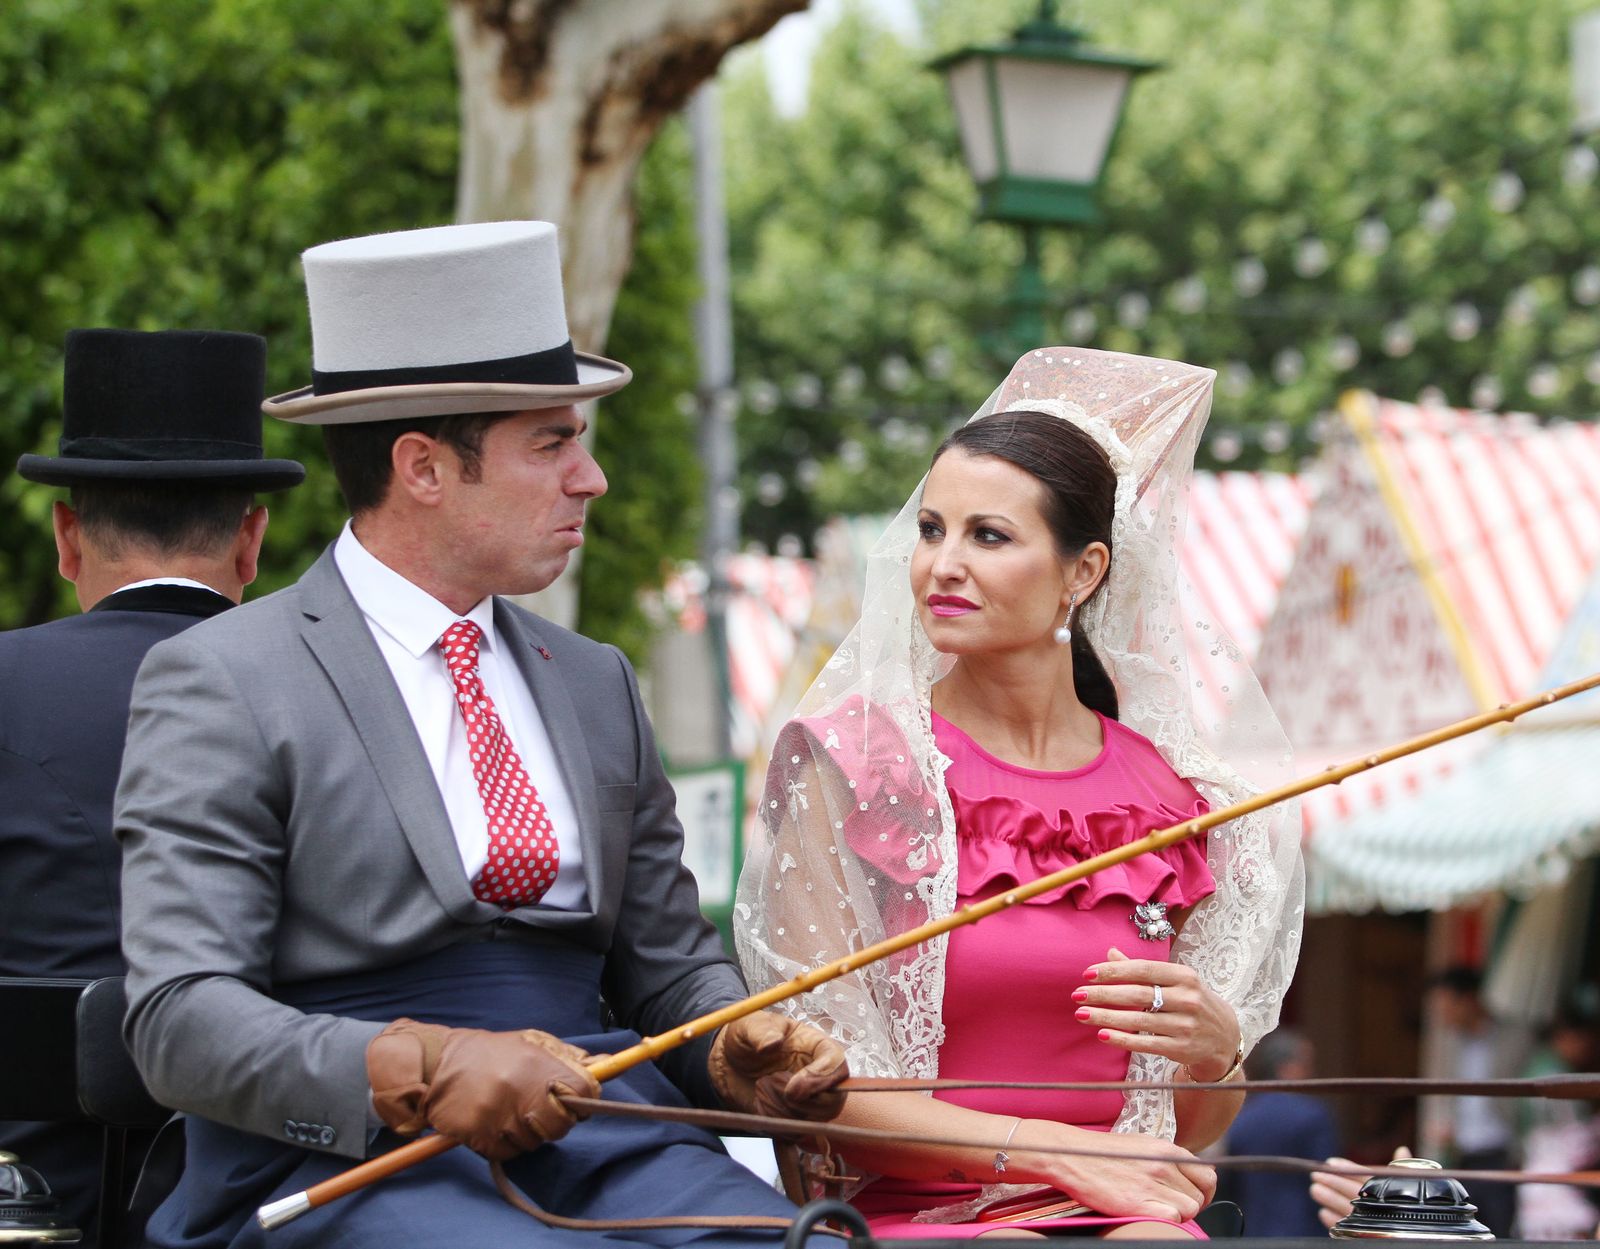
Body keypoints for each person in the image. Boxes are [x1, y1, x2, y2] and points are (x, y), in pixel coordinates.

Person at [113, 221, 847, 1249]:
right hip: (343, 1163)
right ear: (422, 466)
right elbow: (179, 1020)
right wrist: (423, 1066)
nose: (588, 478)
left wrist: (736, 1043)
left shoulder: (594, 680)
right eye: (552, 442)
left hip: (605, 1137)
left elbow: (668, 968)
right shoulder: (225, 676)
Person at [737, 348, 1304, 1240]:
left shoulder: (1185, 799)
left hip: (1126, 1213)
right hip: (925, 1213)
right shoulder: (851, 761)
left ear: (1083, 572)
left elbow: (1187, 1134)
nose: (941, 566)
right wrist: (1049, 1149)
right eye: (931, 529)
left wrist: (1213, 1052)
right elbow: (823, 1086)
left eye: (988, 536)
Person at [0, 328, 303, 1245]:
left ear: (64, 535)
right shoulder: (327, 692)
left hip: (34, 1200)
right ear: (252, 539)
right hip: (273, 1196)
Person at [1219, 1029, 1337, 1235]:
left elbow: (1229, 1184)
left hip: (1251, 1232)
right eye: (1307, 1065)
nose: (1311, 1073)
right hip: (1304, 1233)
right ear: (1288, 1068)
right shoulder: (1312, 1115)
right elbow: (1328, 1180)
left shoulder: (1241, 1117)